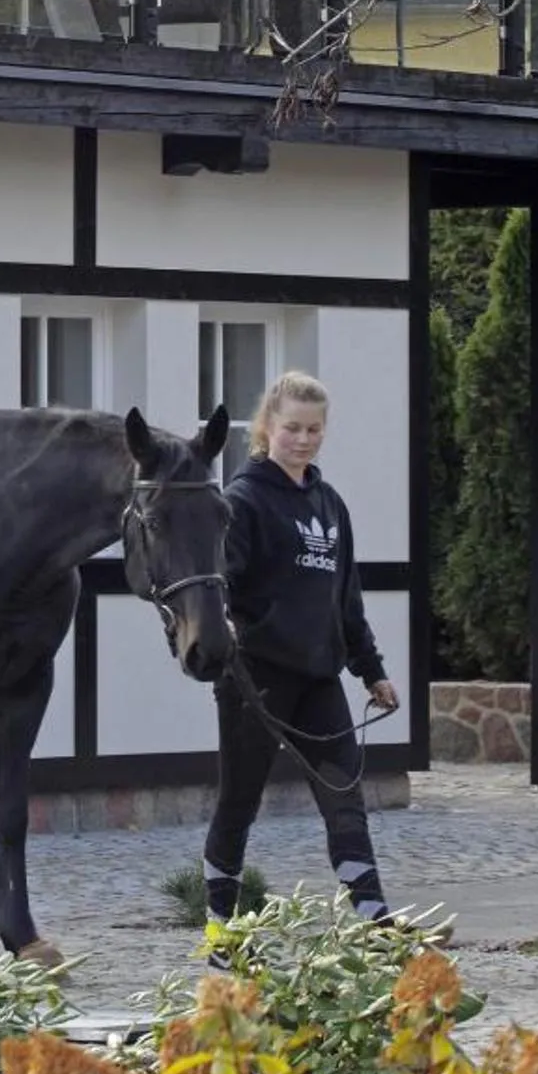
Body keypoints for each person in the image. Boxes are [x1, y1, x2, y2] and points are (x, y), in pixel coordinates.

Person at [203, 369, 402, 924]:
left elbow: (347, 599)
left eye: (314, 429)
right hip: (257, 679)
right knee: (238, 803)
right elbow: (224, 588)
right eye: (293, 427)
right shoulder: (241, 501)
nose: (304, 439)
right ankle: (221, 929)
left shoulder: (330, 504)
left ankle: (375, 921)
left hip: (319, 677)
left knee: (345, 800)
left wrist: (371, 671)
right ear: (267, 427)